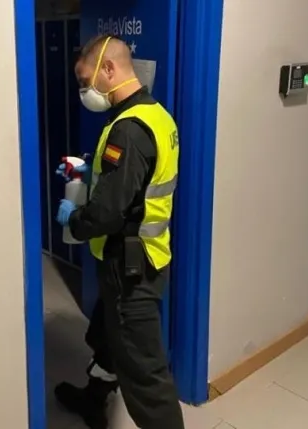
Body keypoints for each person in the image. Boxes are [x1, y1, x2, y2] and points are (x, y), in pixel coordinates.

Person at [53, 34, 185, 429]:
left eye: (85, 81)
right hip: (143, 257)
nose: (84, 91)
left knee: (146, 374)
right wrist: (88, 172)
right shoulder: (155, 115)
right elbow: (132, 183)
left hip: (131, 269)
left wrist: (74, 220)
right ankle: (94, 400)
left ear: (108, 69)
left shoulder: (128, 129)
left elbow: (108, 212)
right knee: (109, 340)